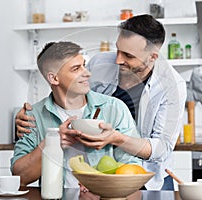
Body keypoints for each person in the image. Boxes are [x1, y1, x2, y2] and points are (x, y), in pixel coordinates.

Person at [15, 14, 187, 190]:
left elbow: (161, 148)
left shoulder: (172, 87)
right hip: (100, 172)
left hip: (148, 177)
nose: (118, 60)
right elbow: (69, 89)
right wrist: (36, 112)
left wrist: (117, 138)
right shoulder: (99, 64)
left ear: (153, 57)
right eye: (118, 50)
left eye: (128, 55)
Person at [10, 41, 142, 196]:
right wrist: (51, 144)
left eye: (84, 65)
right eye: (76, 69)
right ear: (54, 79)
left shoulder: (114, 108)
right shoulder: (33, 116)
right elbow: (20, 177)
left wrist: (100, 185)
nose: (87, 73)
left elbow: (132, 168)